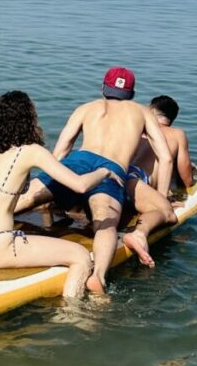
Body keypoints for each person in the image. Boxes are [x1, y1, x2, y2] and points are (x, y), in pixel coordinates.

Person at [0, 91, 123, 298]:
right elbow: (80, 185)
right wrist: (104, 171)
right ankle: (72, 316)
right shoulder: (32, 151)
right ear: (29, 120)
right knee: (80, 256)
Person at [14, 67, 173, 295]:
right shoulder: (143, 113)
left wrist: (52, 187)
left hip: (78, 161)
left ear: (102, 88)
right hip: (111, 168)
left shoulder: (86, 108)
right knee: (105, 221)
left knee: (27, 197)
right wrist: (162, 194)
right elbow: (166, 157)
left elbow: (61, 149)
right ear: (132, 93)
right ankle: (98, 276)